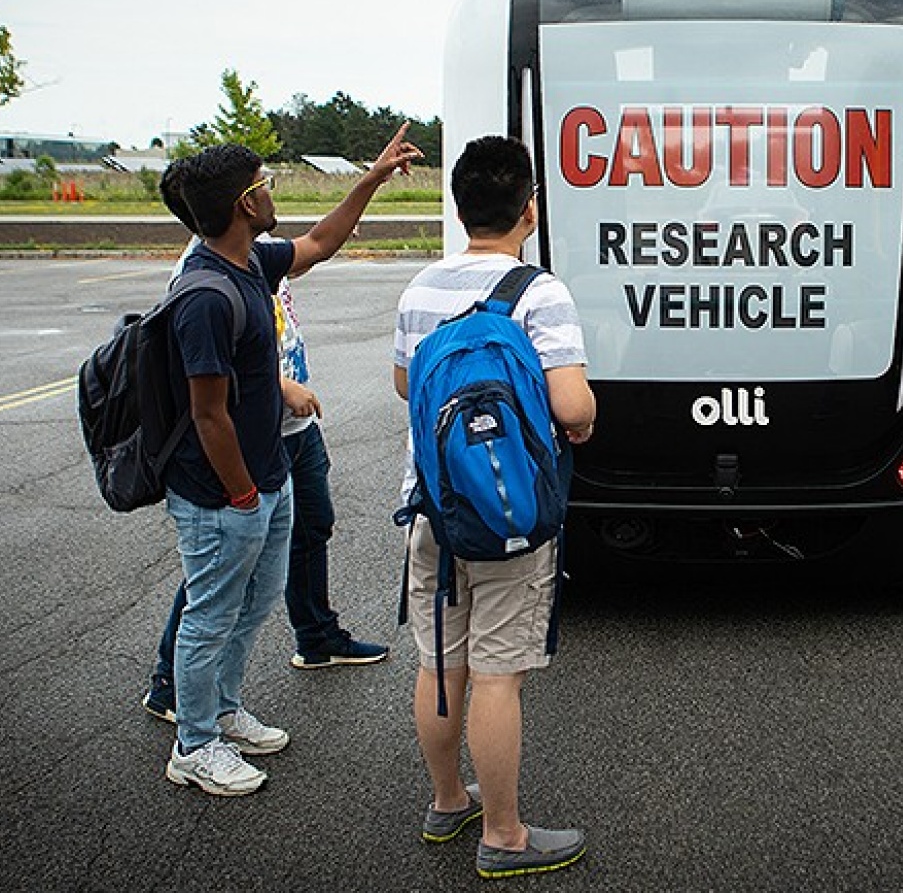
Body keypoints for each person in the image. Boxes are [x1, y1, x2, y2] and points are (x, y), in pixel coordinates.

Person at [159, 131, 420, 798]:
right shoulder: (204, 293)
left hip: (266, 476)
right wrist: (243, 494)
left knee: (251, 607)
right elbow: (207, 413)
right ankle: (194, 744)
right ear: (246, 203)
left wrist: (371, 179)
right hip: (222, 493)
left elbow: (321, 242)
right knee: (209, 616)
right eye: (266, 183)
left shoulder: (251, 261)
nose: (273, 192)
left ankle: (223, 711)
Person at [392, 136, 596, 878]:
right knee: (498, 674)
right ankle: (505, 835)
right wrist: (582, 417)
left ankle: (448, 800)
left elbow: (404, 384)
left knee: (439, 662)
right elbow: (571, 405)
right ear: (529, 210)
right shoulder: (540, 293)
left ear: (458, 209)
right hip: (510, 515)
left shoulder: (419, 289)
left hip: (432, 506)